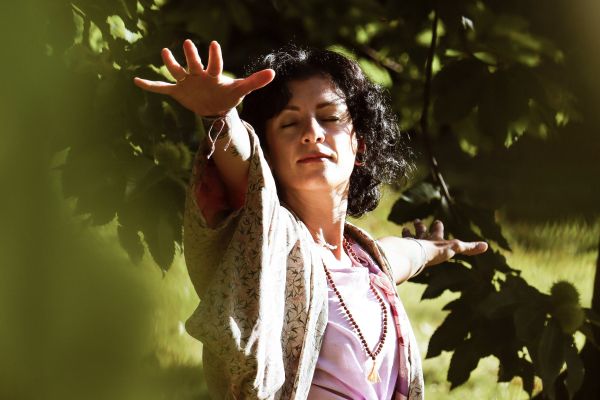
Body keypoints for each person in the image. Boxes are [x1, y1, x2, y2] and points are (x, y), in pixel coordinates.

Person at [134, 40, 488, 400]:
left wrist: (430, 248)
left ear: (360, 143)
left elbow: (395, 256)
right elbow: (243, 165)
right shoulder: (269, 242)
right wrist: (220, 117)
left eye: (330, 117)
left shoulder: (366, 262)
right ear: (269, 155)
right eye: (289, 123)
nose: (312, 132)